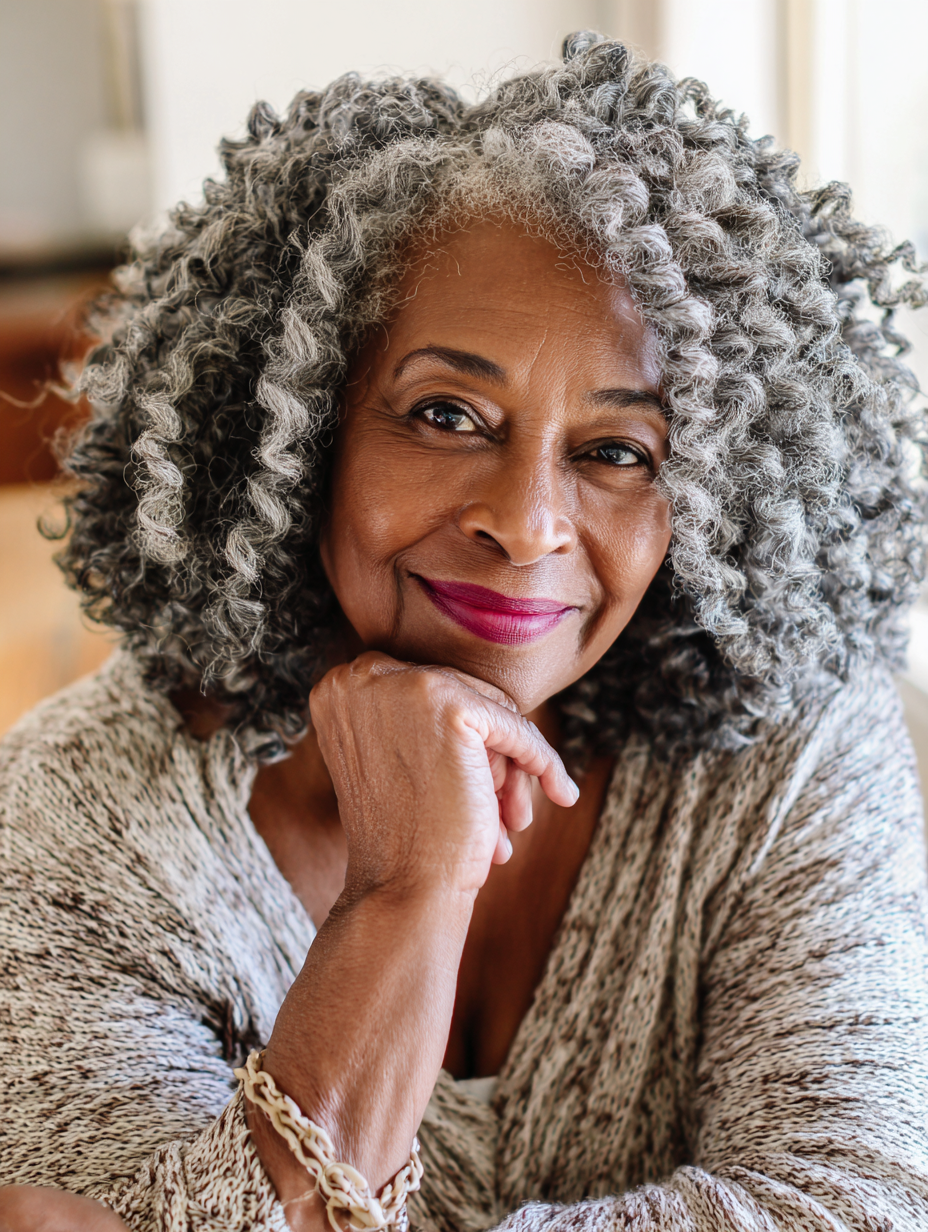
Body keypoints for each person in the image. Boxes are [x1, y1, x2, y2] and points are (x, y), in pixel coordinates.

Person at [1, 30, 927, 1232]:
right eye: (446, 414)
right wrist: (403, 893)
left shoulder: (789, 740)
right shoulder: (76, 817)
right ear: (295, 433)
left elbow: (861, 1201)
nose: (526, 522)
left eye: (616, 450)